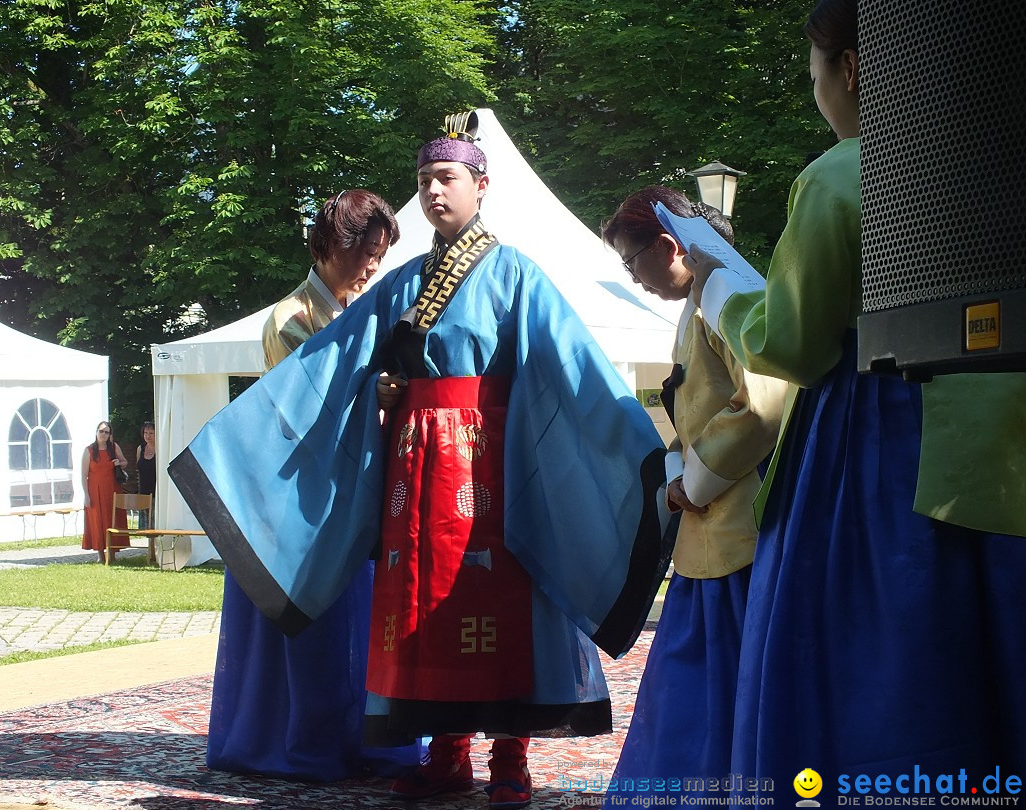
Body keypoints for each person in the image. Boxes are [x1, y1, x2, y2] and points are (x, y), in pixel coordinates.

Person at [169, 112, 671, 810]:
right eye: (425, 180)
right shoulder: (403, 281)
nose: (434, 192)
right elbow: (332, 355)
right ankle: (448, 753)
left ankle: (509, 757)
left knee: (504, 598)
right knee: (427, 605)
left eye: (447, 178)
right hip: (418, 474)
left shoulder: (516, 274)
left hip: (492, 466)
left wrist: (635, 442)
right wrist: (243, 437)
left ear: (481, 186)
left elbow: (571, 364)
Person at [685, 0, 1026, 794]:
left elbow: (793, 344)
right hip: (1001, 445)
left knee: (882, 658)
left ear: (853, 69)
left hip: (879, 442)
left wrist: (722, 297)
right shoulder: (1002, 162)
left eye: (814, 76)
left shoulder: (842, 174)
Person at [206, 189, 420, 782]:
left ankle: (366, 733)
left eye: (380, 254)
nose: (373, 265)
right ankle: (309, 740)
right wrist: (372, 390)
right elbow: (306, 409)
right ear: (332, 246)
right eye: (366, 252)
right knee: (317, 634)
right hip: (301, 499)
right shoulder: (292, 317)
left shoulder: (365, 303)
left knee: (365, 625)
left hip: (357, 489)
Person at [599, 188, 785, 803]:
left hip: (737, 531)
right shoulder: (708, 294)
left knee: (715, 693)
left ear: (670, 245)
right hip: (716, 531)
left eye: (634, 262)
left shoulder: (726, 291)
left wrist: (692, 481)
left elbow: (764, 402)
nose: (634, 278)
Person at [81, 420, 128, 564]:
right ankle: (100, 555)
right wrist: (86, 495)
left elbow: (125, 462)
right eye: (101, 431)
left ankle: (113, 554)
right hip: (95, 491)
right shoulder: (89, 450)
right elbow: (84, 474)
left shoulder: (113, 447)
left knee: (112, 520)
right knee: (97, 521)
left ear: (109, 435)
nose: (103, 434)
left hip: (112, 490)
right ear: (96, 432)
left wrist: (119, 463)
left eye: (106, 432)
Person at [135, 422, 156, 529]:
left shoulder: (161, 449)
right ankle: (149, 546)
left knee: (156, 523)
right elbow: (138, 468)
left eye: (151, 433)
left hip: (157, 493)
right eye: (145, 433)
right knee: (145, 527)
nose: (148, 436)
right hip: (143, 491)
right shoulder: (140, 449)